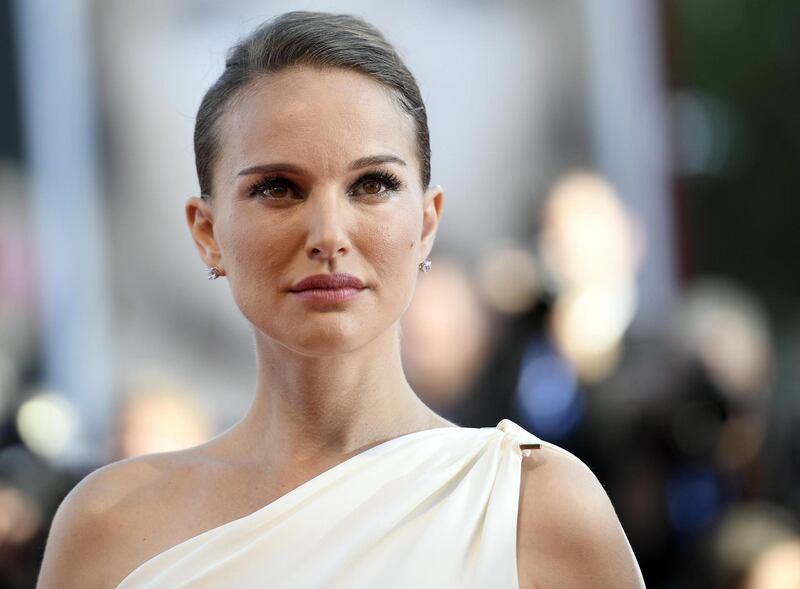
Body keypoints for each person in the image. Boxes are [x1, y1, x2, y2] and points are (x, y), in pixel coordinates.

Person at [36, 11, 644, 588]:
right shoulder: (108, 525)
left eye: (372, 185)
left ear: (426, 223)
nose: (329, 235)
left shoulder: (531, 505)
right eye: (277, 189)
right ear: (206, 232)